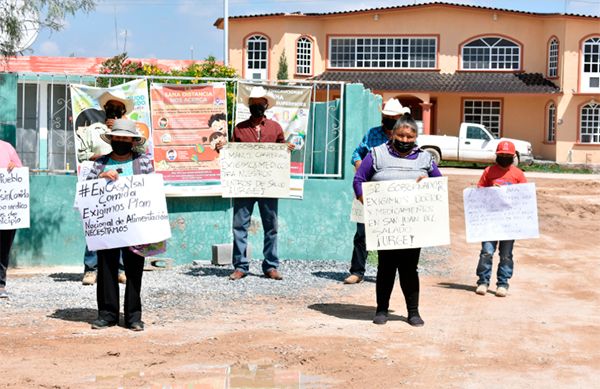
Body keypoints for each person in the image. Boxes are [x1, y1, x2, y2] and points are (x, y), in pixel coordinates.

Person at [353, 115, 442, 326]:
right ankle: (381, 310)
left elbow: (439, 184)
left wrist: (429, 181)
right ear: (393, 134)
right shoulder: (376, 154)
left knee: (410, 268)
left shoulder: (425, 159)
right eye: (400, 134)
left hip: (413, 224)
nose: (404, 139)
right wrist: (366, 201)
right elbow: (359, 180)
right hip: (386, 223)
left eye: (409, 136)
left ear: (415, 137)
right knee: (386, 266)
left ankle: (413, 312)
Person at [217, 86, 294, 281]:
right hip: (244, 185)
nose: (256, 106)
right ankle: (240, 266)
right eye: (253, 104)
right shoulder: (239, 128)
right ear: (249, 105)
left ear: (266, 105)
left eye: (260, 103)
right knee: (239, 225)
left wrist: (287, 149)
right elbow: (232, 153)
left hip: (268, 185)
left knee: (271, 226)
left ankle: (270, 266)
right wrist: (223, 149)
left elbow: (281, 151)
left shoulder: (275, 128)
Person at [85, 119, 153, 331]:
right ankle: (107, 314)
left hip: (135, 225)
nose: (121, 141)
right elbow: (86, 190)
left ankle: (133, 316)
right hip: (107, 225)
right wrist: (100, 178)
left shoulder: (144, 162)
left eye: (126, 138)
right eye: (118, 137)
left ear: (133, 141)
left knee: (134, 270)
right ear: (111, 139)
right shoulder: (99, 164)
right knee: (106, 268)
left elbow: (151, 189)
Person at [344, 98, 409, 285]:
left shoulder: (405, 136)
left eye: (392, 117)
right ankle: (357, 271)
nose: (387, 120)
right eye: (385, 117)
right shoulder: (372, 134)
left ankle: (388, 273)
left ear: (399, 118)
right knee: (362, 233)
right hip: (370, 189)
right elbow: (357, 153)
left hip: (394, 192)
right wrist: (358, 164)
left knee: (391, 234)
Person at [78, 90, 134, 286]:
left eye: (119, 110)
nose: (114, 112)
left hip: (123, 184)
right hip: (99, 181)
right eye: (111, 108)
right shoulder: (92, 129)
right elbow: (81, 155)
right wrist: (99, 161)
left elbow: (141, 150)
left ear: (124, 111)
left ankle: (120, 269)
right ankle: (91, 269)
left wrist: (122, 126)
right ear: (104, 109)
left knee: (121, 227)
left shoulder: (129, 130)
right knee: (97, 225)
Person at [475, 141, 527, 298]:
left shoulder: (518, 174)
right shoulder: (489, 171)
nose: (504, 158)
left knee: (506, 254)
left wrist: (508, 193)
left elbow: (524, 196)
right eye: (501, 155)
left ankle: (503, 284)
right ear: (497, 156)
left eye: (507, 156)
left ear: (513, 157)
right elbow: (479, 192)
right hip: (490, 220)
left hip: (509, 223)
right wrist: (492, 192)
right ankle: (483, 282)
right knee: (486, 252)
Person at [0, 140, 23, 299]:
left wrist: (14, 167)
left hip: (7, 209)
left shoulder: (6, 147)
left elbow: (20, 172)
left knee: (3, 248)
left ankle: (0, 284)